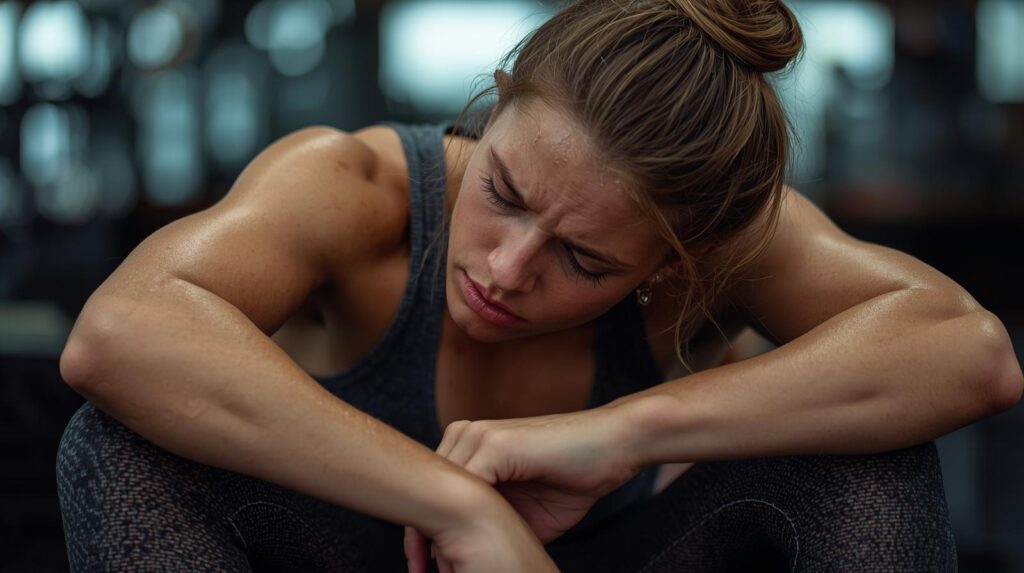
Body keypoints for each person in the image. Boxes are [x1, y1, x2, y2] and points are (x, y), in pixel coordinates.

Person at [56, 0, 1021, 571]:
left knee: (871, 466)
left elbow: (969, 352)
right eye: (504, 192)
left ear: (673, 264)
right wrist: (459, 505)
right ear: (499, 96)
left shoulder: (724, 246)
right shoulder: (356, 187)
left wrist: (621, 433)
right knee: (117, 445)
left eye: (586, 261)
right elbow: (120, 332)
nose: (507, 269)